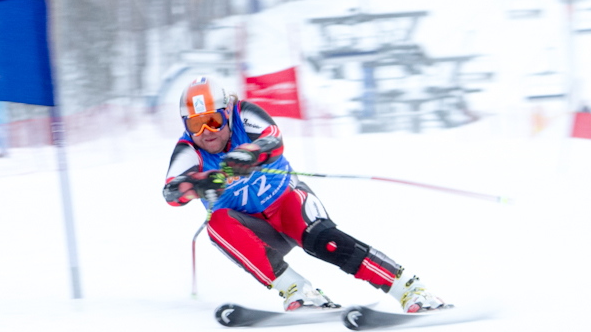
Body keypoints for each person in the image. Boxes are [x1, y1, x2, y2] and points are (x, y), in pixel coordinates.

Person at [162, 76, 447, 313]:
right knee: (217, 224)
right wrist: (199, 183)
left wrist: (250, 153)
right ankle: (299, 291)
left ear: (226, 112)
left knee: (326, 243)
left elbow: (273, 138)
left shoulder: (243, 114)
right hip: (256, 231)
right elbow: (172, 191)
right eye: (195, 124)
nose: (206, 132)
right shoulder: (189, 149)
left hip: (288, 205)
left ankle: (410, 289)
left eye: (213, 120)